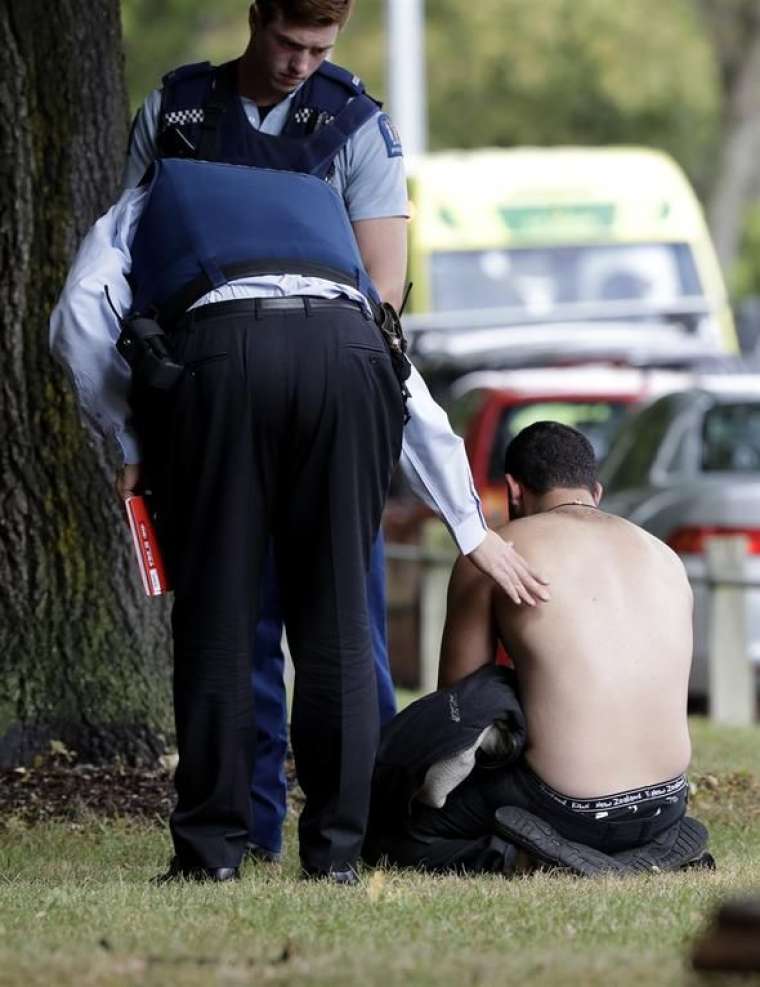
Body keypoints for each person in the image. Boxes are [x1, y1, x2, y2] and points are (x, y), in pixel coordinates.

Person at [49, 55, 549, 890]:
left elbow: (77, 317)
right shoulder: (323, 212)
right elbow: (400, 370)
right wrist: (472, 528)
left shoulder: (153, 192)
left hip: (225, 360)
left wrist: (131, 436)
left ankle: (212, 851)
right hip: (349, 363)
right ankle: (339, 856)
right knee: (340, 626)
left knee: (218, 616)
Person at [121, 0, 404, 863]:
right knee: (234, 621)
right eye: (289, 42)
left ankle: (348, 834)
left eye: (322, 48)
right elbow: (128, 261)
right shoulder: (174, 112)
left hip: (302, 373)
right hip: (229, 376)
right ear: (256, 18)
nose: (301, 64)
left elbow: (384, 293)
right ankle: (253, 831)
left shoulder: (356, 123)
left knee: (337, 618)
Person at [366, 422, 704, 875]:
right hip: (667, 805)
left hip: (565, 806)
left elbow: (459, 708)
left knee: (391, 838)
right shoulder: (665, 556)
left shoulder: (498, 552)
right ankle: (636, 852)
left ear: (513, 490)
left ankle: (519, 857)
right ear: (596, 491)